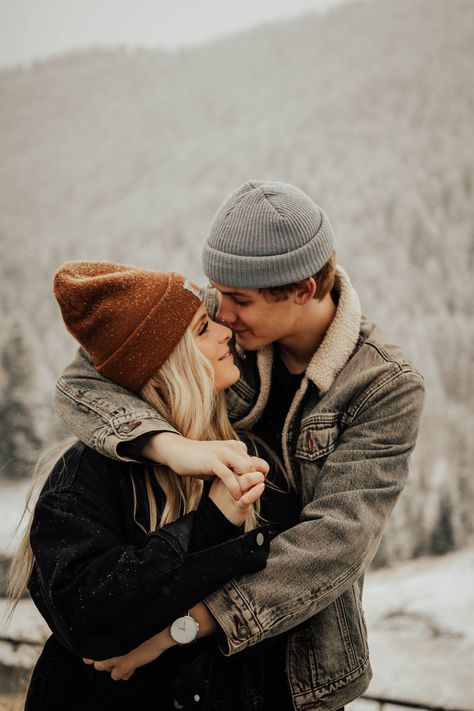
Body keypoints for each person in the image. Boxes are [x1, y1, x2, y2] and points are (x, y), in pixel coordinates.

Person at [55, 181, 425, 711]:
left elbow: (337, 540)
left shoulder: (385, 386)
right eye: (215, 291)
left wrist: (178, 629)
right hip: (187, 678)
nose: (220, 313)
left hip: (298, 670)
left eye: (239, 301)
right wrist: (170, 447)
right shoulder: (222, 312)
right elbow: (81, 380)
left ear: (301, 290)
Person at [8, 261, 288, 711]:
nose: (224, 332)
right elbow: (86, 614)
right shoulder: (85, 476)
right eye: (202, 329)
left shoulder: (249, 455)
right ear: (160, 371)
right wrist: (210, 524)